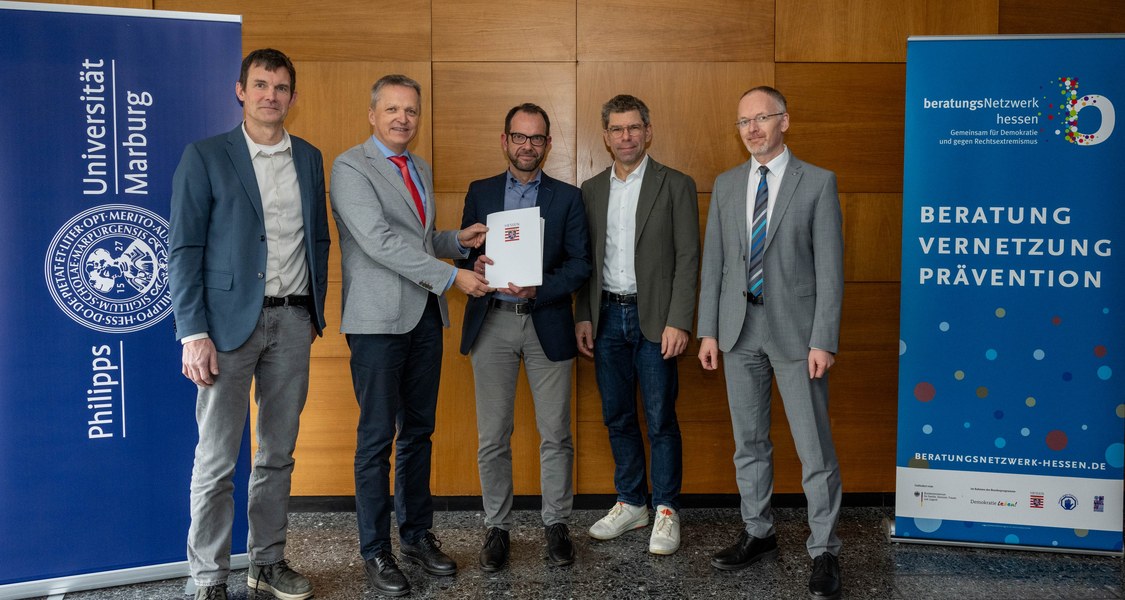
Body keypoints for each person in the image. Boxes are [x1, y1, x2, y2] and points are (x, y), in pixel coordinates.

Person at [169, 48, 329, 600]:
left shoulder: (308, 157)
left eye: (281, 87)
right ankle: (208, 576)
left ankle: (267, 562)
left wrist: (314, 310)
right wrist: (193, 332)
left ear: (291, 96)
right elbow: (184, 249)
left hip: (292, 323)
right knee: (216, 459)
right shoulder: (206, 156)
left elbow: (320, 239)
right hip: (224, 329)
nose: (270, 95)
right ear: (241, 91)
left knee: (277, 454)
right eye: (260, 85)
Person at [330, 74, 490, 597]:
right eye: (393, 109)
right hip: (376, 322)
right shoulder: (351, 166)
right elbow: (376, 242)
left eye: (412, 111)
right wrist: (451, 275)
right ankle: (375, 551)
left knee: (419, 431)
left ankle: (417, 535)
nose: (403, 119)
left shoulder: (418, 167)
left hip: (423, 318)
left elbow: (414, 238)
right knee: (377, 439)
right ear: (372, 115)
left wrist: (453, 241)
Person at [696, 85, 845, 600]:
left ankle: (824, 549)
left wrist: (824, 338)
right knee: (749, 442)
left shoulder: (818, 183)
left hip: (798, 338)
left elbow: (830, 269)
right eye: (744, 122)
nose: (753, 128)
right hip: (739, 333)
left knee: (813, 448)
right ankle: (758, 531)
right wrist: (709, 330)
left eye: (762, 118)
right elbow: (714, 264)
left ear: (786, 120)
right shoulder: (727, 183)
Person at [458, 103, 591, 572]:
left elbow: (579, 264)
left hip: (547, 321)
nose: (527, 146)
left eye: (536, 138)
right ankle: (497, 527)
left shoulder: (568, 198)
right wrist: (470, 266)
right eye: (519, 136)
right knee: (493, 435)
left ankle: (556, 524)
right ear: (505, 140)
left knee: (556, 433)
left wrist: (542, 287)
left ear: (548, 144)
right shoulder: (481, 191)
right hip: (491, 321)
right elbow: (465, 253)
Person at [575, 95, 699, 555]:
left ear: (648, 131)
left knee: (661, 418)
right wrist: (583, 315)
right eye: (616, 129)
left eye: (633, 128)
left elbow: (688, 259)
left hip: (656, 322)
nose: (625, 136)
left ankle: (665, 509)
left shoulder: (676, 184)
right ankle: (632, 502)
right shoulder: (590, 190)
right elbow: (584, 260)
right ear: (605, 137)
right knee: (617, 416)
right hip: (606, 316)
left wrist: (679, 320)